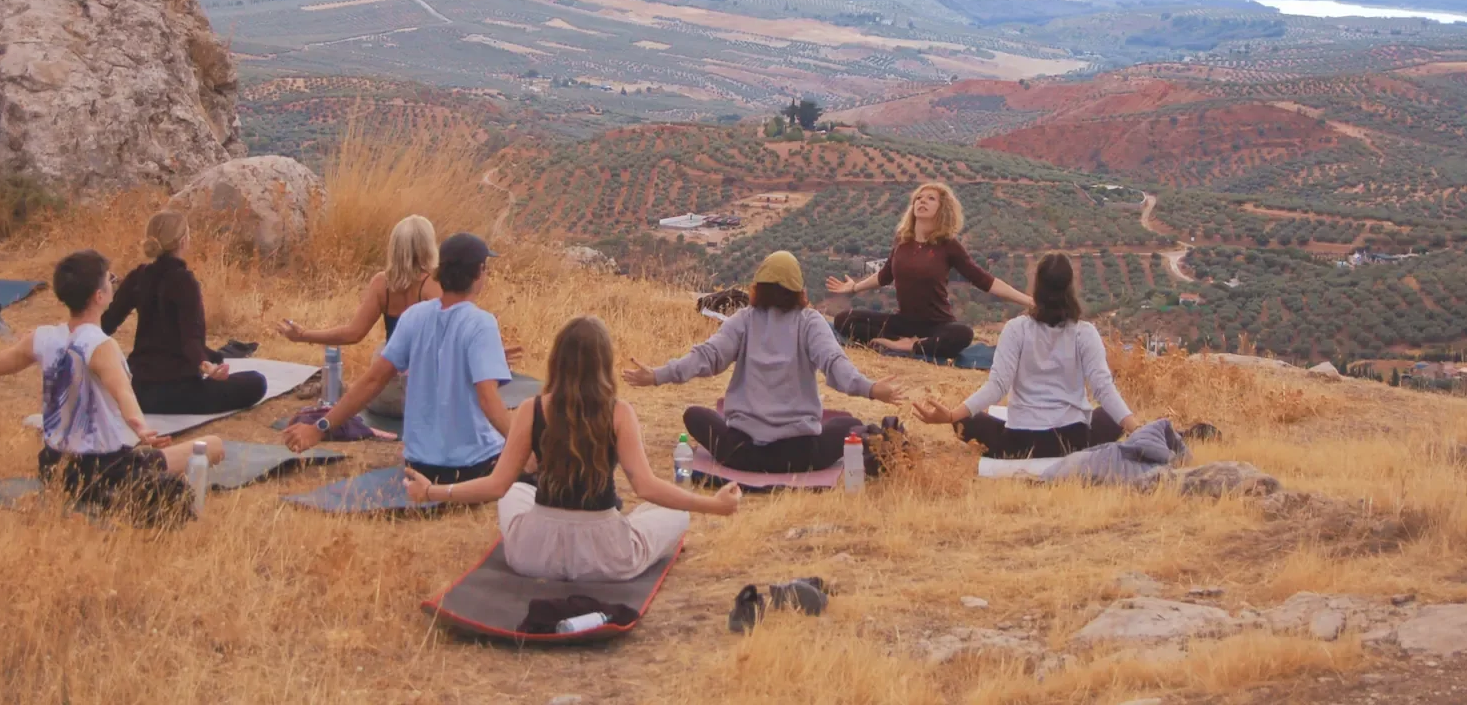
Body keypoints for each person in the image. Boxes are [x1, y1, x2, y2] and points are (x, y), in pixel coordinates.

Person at [403, 316, 742, 581]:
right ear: (603, 363)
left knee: (515, 492)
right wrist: (713, 505)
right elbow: (647, 487)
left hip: (533, 556)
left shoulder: (531, 410)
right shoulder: (619, 412)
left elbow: (495, 485)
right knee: (675, 515)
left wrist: (432, 491)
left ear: (557, 361)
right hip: (606, 557)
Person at [0, 250, 224, 515]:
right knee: (213, 446)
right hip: (107, 469)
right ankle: (119, 497)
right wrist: (141, 427)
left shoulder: (41, 338)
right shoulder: (100, 346)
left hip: (53, 467)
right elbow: (124, 394)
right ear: (99, 297)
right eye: (110, 280)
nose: (114, 284)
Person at [622, 251, 906, 473]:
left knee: (694, 415)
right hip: (800, 454)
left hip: (741, 452)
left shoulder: (744, 319)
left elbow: (707, 356)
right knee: (849, 423)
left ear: (758, 287)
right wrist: (870, 389)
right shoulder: (810, 322)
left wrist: (659, 375)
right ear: (798, 289)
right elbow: (834, 363)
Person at [283, 233, 513, 484]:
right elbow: (488, 399)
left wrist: (319, 428)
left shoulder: (415, 316)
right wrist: (524, 448)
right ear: (480, 271)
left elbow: (372, 381)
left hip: (418, 466)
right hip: (470, 467)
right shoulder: (482, 323)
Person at [913, 252, 1138, 458]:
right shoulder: (1085, 333)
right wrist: (1138, 430)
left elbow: (997, 386)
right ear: (1071, 286)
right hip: (1073, 441)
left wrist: (953, 416)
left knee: (970, 421)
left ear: (1036, 285)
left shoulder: (1016, 329)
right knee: (1109, 416)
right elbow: (1103, 389)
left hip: (1020, 442)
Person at [828, 182, 1033, 361]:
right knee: (844, 320)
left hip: (937, 325)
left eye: (930, 198)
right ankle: (905, 341)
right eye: (918, 198)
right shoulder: (902, 241)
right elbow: (885, 276)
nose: (922, 201)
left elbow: (984, 281)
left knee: (962, 335)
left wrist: (1029, 301)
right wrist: (854, 287)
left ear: (942, 208)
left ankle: (909, 346)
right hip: (903, 322)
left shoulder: (948, 245)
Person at [277, 214, 444, 419]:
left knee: (386, 348)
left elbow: (352, 334)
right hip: (423, 402)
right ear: (428, 246)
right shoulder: (435, 285)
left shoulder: (382, 283)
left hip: (381, 398)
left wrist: (303, 334)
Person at [102, 211, 267, 415]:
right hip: (177, 391)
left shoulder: (138, 276)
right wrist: (206, 365)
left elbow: (106, 324)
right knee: (257, 382)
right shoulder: (184, 282)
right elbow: (191, 341)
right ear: (183, 241)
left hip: (138, 389)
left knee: (218, 359)